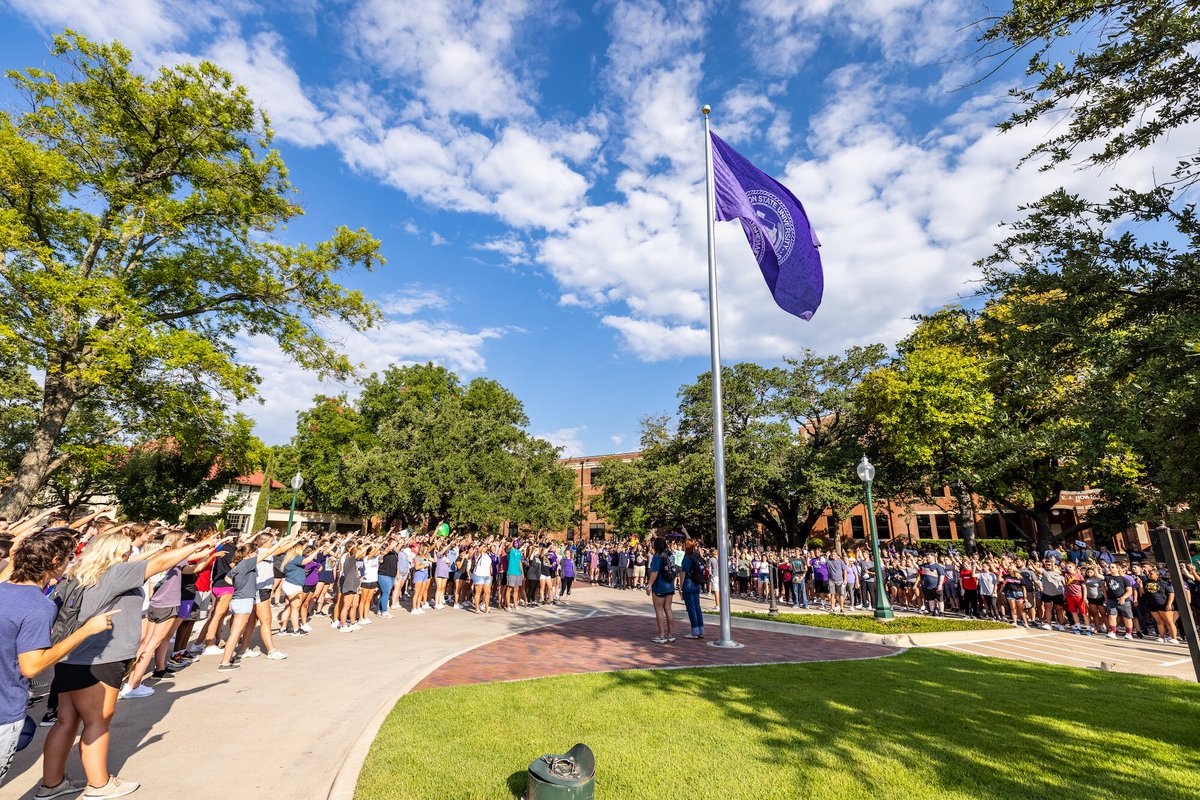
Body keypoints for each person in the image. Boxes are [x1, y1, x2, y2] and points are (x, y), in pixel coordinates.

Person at [40, 529, 219, 799]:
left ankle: (51, 783)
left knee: (66, 721)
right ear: (115, 553)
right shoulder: (115, 573)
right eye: (125, 551)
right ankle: (99, 784)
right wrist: (201, 545)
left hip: (70, 656)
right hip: (101, 658)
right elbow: (160, 563)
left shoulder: (78, 574)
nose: (128, 555)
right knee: (97, 722)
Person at [0, 529, 119, 789]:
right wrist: (86, 631)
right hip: (4, 710)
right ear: (55, 561)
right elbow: (32, 666)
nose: (70, 564)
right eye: (68, 558)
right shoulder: (38, 606)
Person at [646, 538, 676, 644]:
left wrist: (649, 585)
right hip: (670, 585)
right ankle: (670, 634)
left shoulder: (657, 557)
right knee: (668, 609)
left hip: (660, 586)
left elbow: (654, 572)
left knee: (659, 610)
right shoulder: (669, 555)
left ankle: (661, 635)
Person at [680, 540, 705, 639]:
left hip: (689, 582)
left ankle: (694, 631)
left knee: (691, 608)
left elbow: (683, 573)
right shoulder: (696, 556)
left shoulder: (687, 558)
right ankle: (700, 629)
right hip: (696, 583)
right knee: (697, 607)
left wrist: (681, 586)